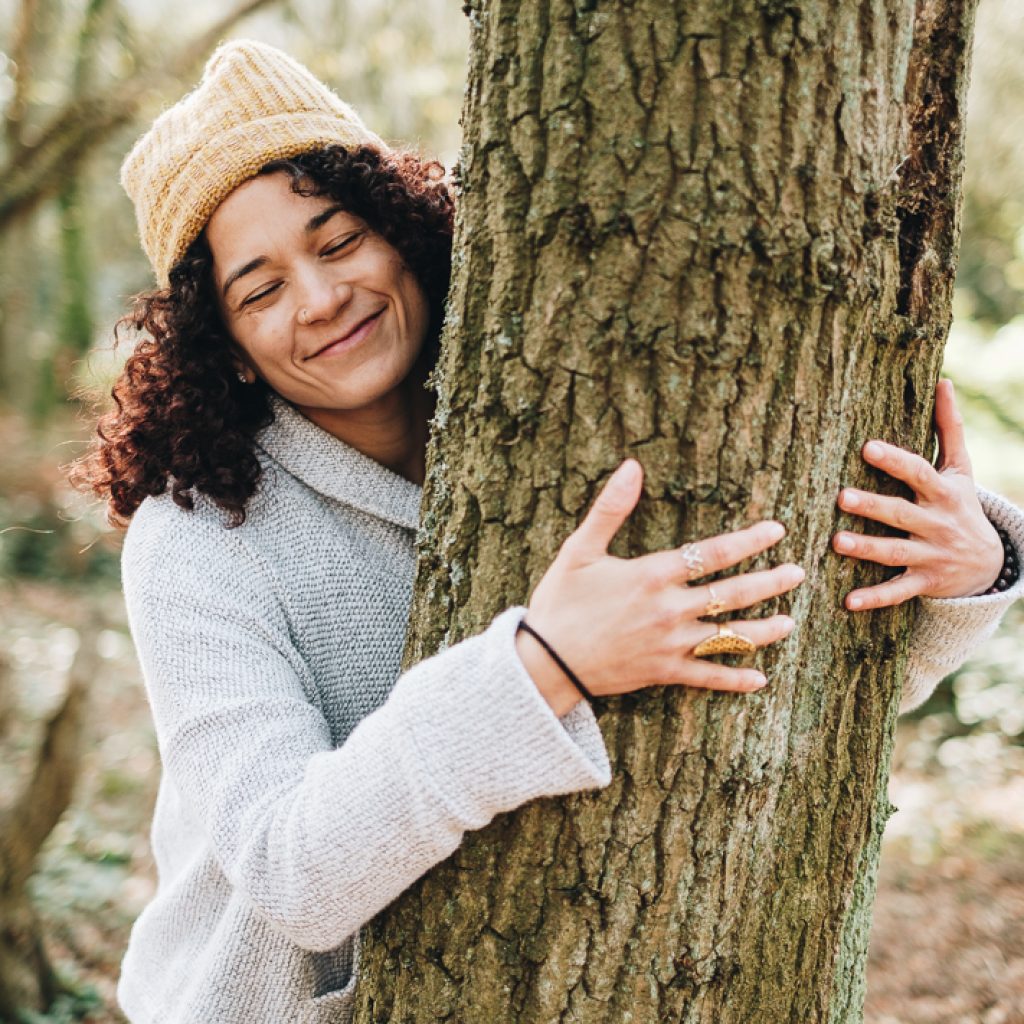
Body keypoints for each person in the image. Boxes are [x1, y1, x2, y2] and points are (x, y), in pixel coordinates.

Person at [72, 39, 1024, 1024]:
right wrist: (541, 662)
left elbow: (766, 689)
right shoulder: (197, 539)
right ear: (222, 346)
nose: (319, 299)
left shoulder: (543, 420)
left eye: (339, 239)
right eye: (260, 289)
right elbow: (289, 872)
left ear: (401, 230)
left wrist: (965, 569)